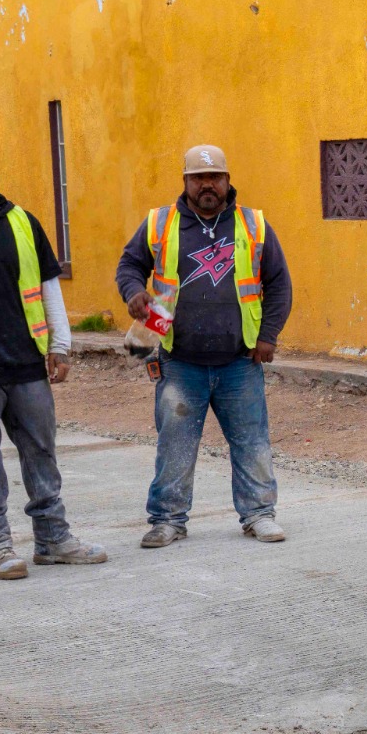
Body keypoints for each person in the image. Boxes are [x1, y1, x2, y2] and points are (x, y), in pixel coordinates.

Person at [0, 139, 106, 580]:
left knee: (41, 450)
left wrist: (60, 346)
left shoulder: (24, 223)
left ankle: (52, 538)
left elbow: (48, 287)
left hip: (27, 364)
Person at [114, 145, 292, 548]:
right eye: (199, 178)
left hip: (239, 360)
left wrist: (267, 336)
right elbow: (129, 265)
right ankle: (168, 521)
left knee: (251, 441)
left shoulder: (254, 224)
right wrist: (133, 291)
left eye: (215, 177)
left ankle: (259, 514)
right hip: (179, 359)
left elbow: (278, 283)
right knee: (175, 443)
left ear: (228, 181)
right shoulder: (160, 223)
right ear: (186, 182)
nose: (207, 185)